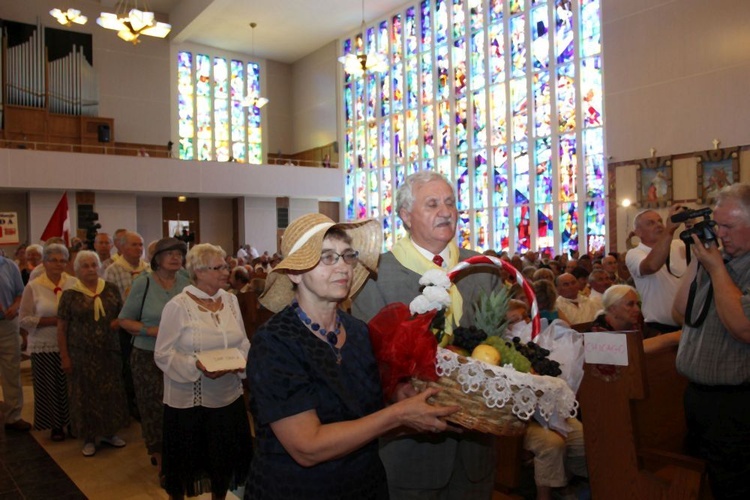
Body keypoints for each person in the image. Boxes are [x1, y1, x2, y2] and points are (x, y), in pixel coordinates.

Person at [247, 213, 458, 499]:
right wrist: (398, 414)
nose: (343, 267)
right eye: (327, 257)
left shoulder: (358, 332)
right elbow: (307, 447)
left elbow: (365, 416)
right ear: (295, 273)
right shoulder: (275, 341)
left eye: (347, 256)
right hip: (298, 490)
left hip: (364, 486)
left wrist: (400, 398)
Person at [352, 171, 499, 499]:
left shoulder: (482, 269)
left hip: (475, 452)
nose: (446, 211)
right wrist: (397, 391)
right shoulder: (375, 276)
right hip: (410, 452)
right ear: (405, 215)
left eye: (450, 203)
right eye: (432, 204)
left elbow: (497, 348)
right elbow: (363, 363)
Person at [155, 243, 252, 499]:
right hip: (190, 402)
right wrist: (196, 365)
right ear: (198, 271)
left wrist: (238, 362)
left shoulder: (230, 300)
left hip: (227, 396)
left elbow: (242, 341)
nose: (225, 271)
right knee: (187, 465)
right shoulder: (178, 306)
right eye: (218, 267)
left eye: (225, 265)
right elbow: (163, 353)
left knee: (222, 460)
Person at [672, 184, 750, 500]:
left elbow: (743, 327)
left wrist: (716, 267)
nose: (721, 234)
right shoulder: (720, 259)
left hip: (736, 405)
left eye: (728, 226)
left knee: (735, 486)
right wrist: (699, 257)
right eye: (717, 225)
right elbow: (680, 312)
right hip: (700, 398)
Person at [119, 238, 190, 478]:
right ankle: (161, 459)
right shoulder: (144, 283)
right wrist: (152, 331)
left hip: (180, 354)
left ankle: (179, 452)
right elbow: (124, 320)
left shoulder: (186, 282)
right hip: (147, 355)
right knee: (153, 408)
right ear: (157, 259)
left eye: (179, 254)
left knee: (180, 405)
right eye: (169, 253)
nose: (175, 258)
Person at [57, 251, 128, 456]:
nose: (90, 269)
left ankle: (109, 432)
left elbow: (122, 315)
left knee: (111, 393)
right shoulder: (70, 294)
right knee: (84, 395)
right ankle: (89, 437)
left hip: (109, 352)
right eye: (85, 266)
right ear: (77, 270)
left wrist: (118, 322)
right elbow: (61, 328)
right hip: (81, 355)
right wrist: (65, 356)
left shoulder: (111, 290)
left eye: (94, 265)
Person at [19, 243, 76, 440]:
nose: (58, 264)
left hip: (70, 344)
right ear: (45, 262)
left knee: (70, 386)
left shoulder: (73, 283)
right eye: (53, 260)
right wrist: (54, 321)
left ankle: (73, 422)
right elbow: (24, 319)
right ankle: (56, 425)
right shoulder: (34, 286)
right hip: (44, 344)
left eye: (62, 260)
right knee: (50, 386)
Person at [626, 207, 688, 337]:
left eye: (660, 221)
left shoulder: (678, 245)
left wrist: (692, 224)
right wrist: (670, 230)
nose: (659, 225)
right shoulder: (635, 253)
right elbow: (652, 266)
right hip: (659, 329)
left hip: (688, 325)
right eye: (651, 223)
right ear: (638, 232)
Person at [0, 252, 32, 432]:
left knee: (11, 371)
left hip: (7, 325)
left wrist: (14, 306)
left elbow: (20, 293)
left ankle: (14, 416)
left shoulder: (9, 266)